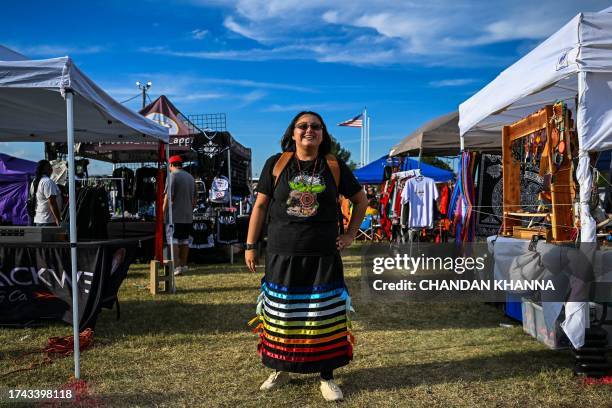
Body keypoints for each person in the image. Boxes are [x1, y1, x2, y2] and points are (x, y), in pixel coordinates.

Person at [245, 111, 367, 402]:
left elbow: (361, 201)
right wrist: (250, 245)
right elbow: (260, 206)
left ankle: (326, 376)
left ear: (323, 134)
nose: (309, 130)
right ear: (293, 133)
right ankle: (280, 368)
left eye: (315, 126)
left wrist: (350, 234)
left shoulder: (334, 165)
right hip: (282, 252)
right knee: (280, 314)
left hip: (323, 255)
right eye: (303, 126)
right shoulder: (276, 164)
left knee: (321, 315)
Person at [163, 155, 196, 276]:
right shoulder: (191, 177)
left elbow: (168, 197)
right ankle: (183, 265)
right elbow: (194, 200)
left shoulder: (172, 176)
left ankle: (176, 267)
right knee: (185, 241)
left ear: (171, 165)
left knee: (173, 240)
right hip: (188, 215)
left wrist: (162, 212)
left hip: (174, 215)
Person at [30, 159, 62, 226]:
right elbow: (52, 202)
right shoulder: (47, 182)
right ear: (46, 169)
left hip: (39, 219)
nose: (51, 170)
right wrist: (57, 219)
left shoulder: (34, 181)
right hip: (48, 221)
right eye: (50, 167)